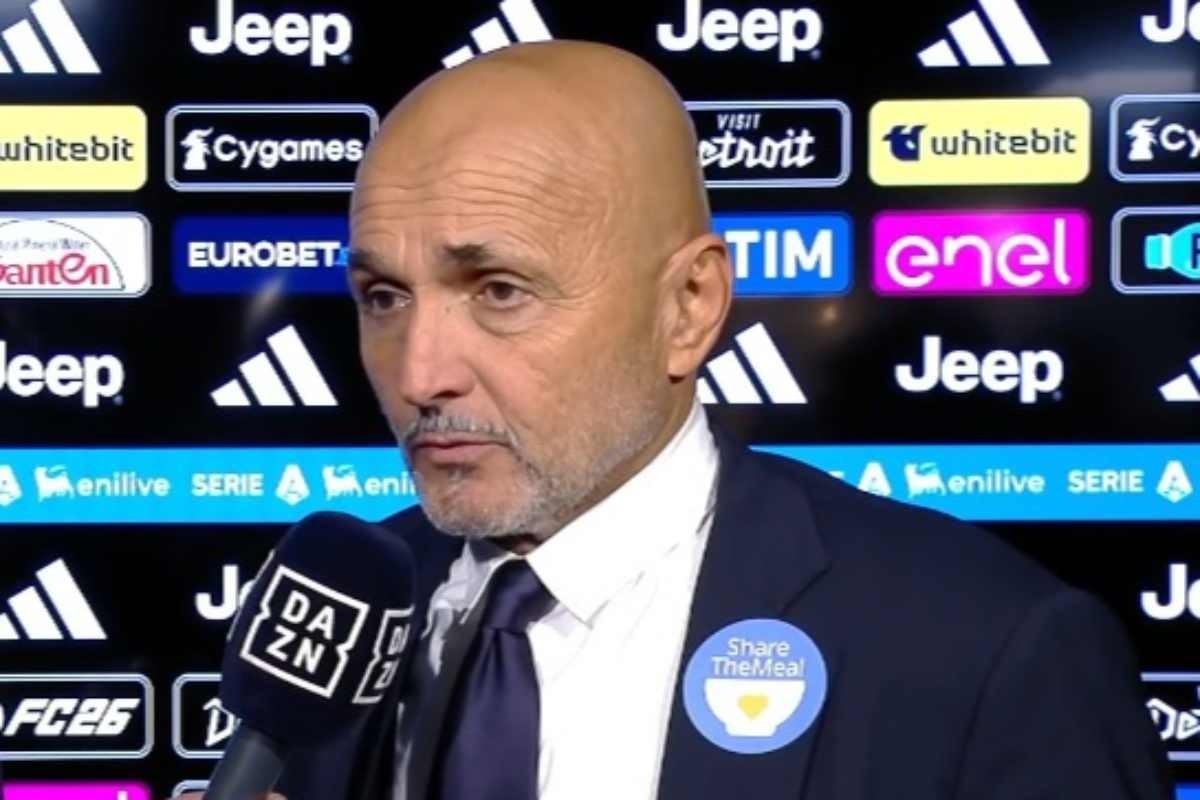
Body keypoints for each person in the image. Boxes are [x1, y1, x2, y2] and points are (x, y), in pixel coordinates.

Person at [176, 39, 1171, 800]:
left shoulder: (987, 651)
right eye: (384, 297)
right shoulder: (335, 623)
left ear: (689, 308)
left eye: (500, 290)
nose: (420, 372)